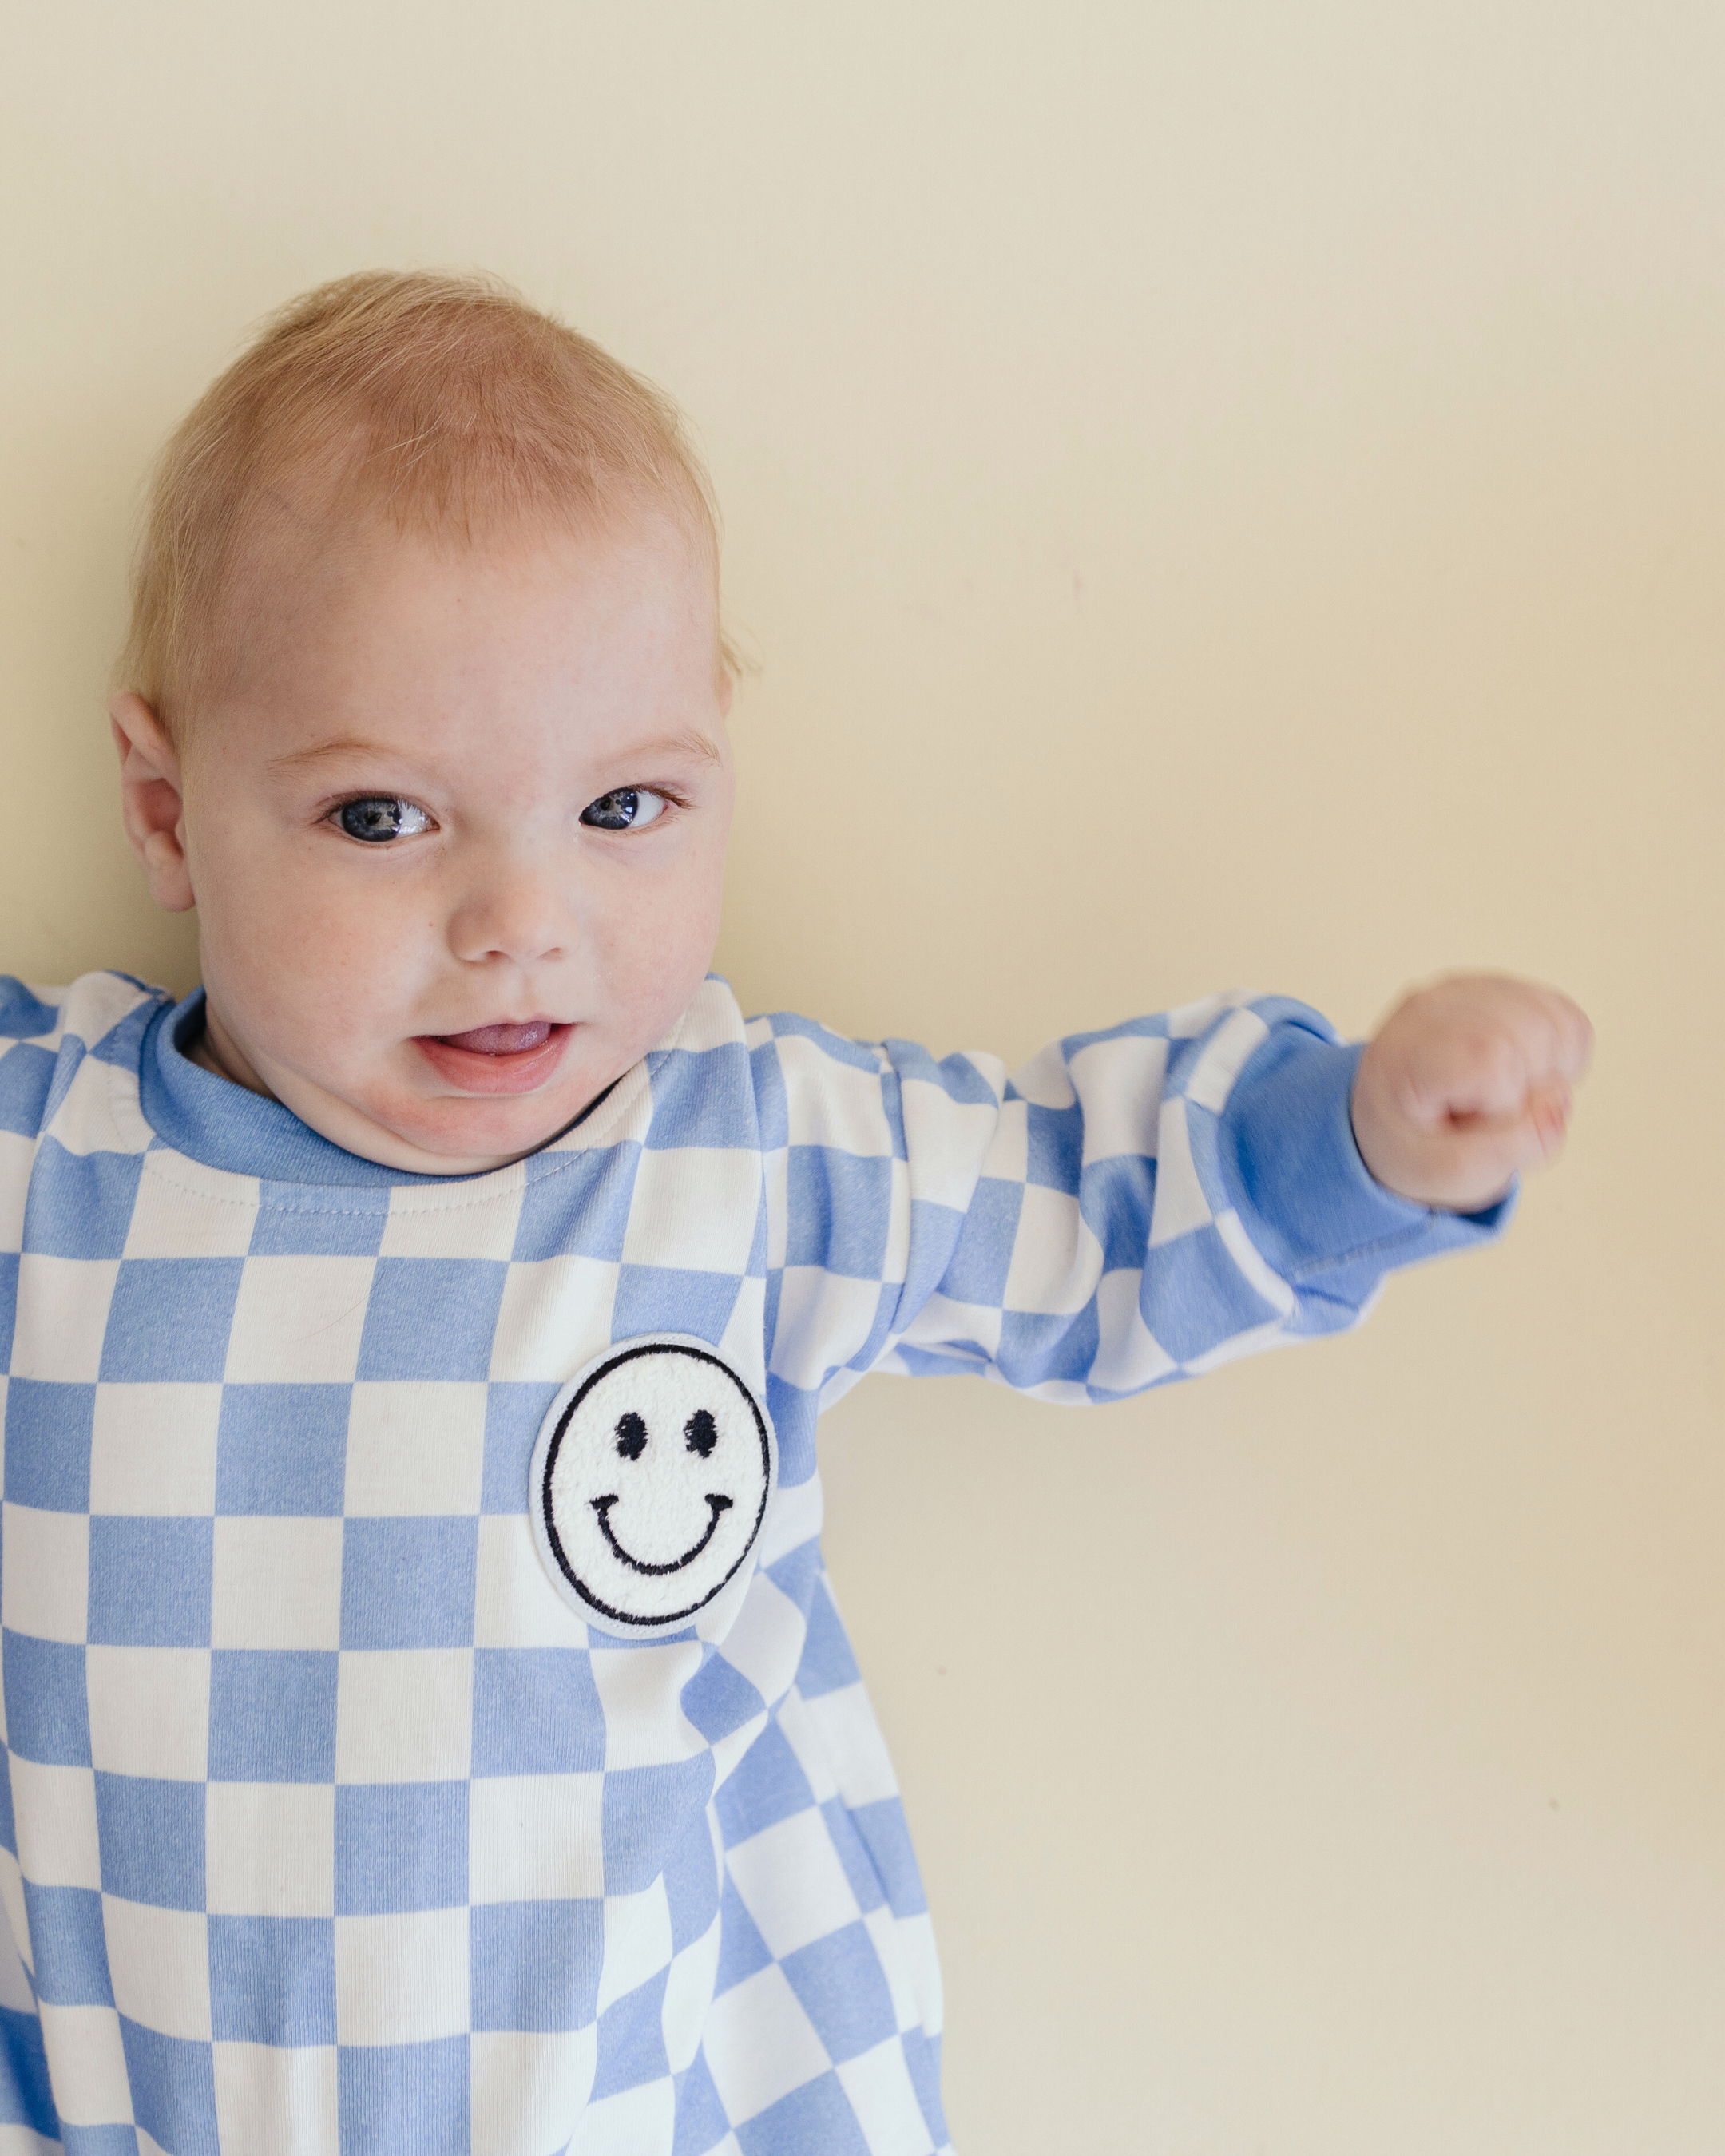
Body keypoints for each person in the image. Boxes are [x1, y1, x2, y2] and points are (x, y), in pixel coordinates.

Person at [0, 271, 1591, 2156]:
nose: (526, 920)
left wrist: (1360, 1140)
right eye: (382, 819)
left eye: (625, 808)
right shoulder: (53, 1164)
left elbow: (1083, 1212)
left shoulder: (748, 1158)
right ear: (168, 814)